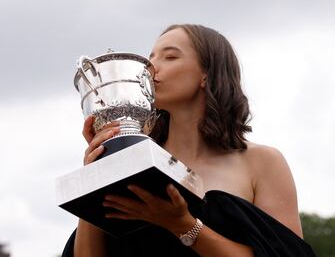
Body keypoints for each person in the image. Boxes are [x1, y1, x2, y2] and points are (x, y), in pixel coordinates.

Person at [62, 24, 315, 256]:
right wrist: (95, 179)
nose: (150, 68)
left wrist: (184, 225)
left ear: (207, 73)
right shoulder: (132, 163)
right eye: (150, 59)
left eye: (170, 57)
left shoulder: (263, 162)